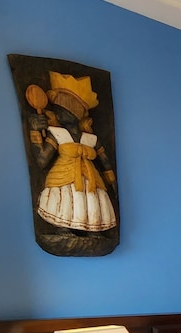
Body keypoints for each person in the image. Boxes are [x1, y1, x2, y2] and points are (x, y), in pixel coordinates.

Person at [27, 71, 117, 233]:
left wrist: (112, 182)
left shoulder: (91, 139)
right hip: (63, 178)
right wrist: (35, 132)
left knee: (91, 204)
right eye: (57, 107)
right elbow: (42, 160)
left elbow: (105, 162)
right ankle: (64, 228)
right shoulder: (57, 134)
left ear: (77, 111)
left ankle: (92, 229)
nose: (58, 111)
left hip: (90, 181)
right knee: (65, 203)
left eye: (64, 106)